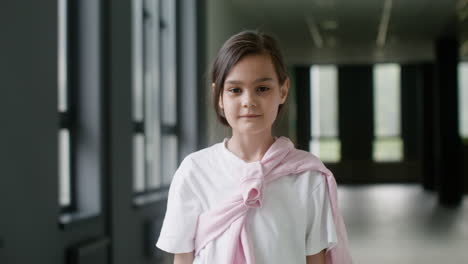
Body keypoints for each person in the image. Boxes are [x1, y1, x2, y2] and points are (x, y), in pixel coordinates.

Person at [156, 30, 352, 264]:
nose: (248, 100)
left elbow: (315, 259)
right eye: (235, 90)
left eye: (262, 88)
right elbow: (183, 258)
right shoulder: (194, 171)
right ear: (219, 97)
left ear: (283, 90)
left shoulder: (309, 176)